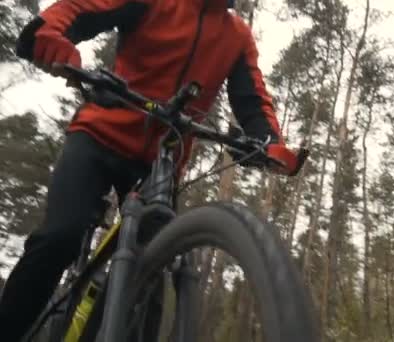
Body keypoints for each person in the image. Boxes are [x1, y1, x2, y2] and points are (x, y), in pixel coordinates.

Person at [0, 0, 298, 340]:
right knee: (59, 238)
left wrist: (269, 142)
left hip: (161, 164)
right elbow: (83, 8)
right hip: (99, 136)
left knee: (149, 278)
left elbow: (252, 100)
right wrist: (48, 33)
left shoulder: (237, 36)